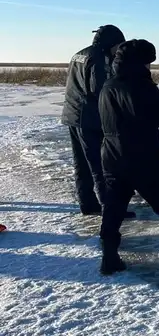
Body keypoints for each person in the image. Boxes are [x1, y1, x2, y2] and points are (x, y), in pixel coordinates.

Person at [97, 39, 159, 275]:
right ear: (142, 63)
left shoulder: (108, 85)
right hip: (144, 156)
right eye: (149, 62)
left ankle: (109, 256)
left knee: (113, 208)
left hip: (111, 155)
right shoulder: (143, 86)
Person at [61, 24, 135, 218]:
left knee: (82, 163)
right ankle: (111, 208)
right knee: (101, 164)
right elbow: (99, 88)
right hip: (90, 119)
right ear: (111, 43)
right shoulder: (99, 57)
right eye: (119, 45)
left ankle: (87, 203)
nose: (119, 50)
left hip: (73, 115)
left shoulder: (79, 54)